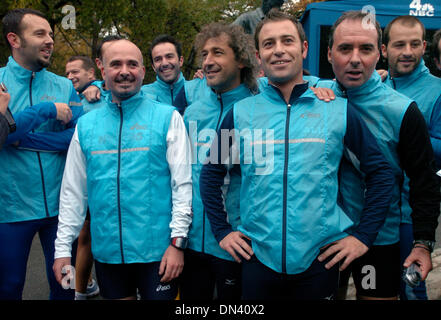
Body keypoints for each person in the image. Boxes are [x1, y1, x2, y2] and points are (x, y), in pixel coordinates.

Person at [200, 9, 394, 300]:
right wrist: (222, 231)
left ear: (303, 49)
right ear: (258, 56)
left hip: (319, 261)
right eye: (269, 43)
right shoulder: (238, 113)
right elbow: (211, 173)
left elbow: (380, 173)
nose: (278, 50)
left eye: (287, 41)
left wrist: (362, 236)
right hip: (258, 260)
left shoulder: (336, 108)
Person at [53, 39, 193, 300]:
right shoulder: (86, 126)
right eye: (116, 64)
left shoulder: (168, 117)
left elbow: (182, 185)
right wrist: (62, 250)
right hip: (108, 253)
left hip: (159, 253)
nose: (124, 71)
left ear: (143, 70)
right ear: (102, 69)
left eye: (132, 64)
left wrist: (178, 243)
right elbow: (73, 193)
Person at [316, 10, 440, 300]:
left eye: (366, 49)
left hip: (379, 239)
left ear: (379, 54)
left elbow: (424, 181)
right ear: (330, 53)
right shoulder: (313, 96)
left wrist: (422, 243)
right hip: (321, 238)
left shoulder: (402, 110)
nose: (355, 59)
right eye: (345, 48)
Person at [0, 8, 83, 300]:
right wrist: (45, 111)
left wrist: (26, 140)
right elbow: (2, 134)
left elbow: (77, 137)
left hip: (61, 210)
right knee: (8, 287)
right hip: (10, 210)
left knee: (66, 286)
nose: (50, 40)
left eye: (50, 33)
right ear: (15, 39)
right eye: (40, 33)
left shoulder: (63, 85)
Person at [180, 22, 259, 300]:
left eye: (217, 53)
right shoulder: (192, 112)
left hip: (234, 242)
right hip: (190, 242)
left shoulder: (257, 109)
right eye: (204, 55)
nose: (208, 62)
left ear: (240, 60)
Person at [381, 15, 441, 300]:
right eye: (399, 44)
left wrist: (404, 134)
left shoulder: (438, 91)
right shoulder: (374, 87)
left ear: (424, 46)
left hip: (410, 216)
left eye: (414, 44)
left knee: (411, 291)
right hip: (373, 214)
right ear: (384, 49)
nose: (407, 51)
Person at [65, 55, 101, 300]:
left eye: (75, 72)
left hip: (102, 180)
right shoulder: (72, 99)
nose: (70, 77)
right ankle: (81, 288)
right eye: (67, 73)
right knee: (82, 235)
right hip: (78, 182)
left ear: (92, 74)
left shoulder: (98, 96)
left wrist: (97, 89)